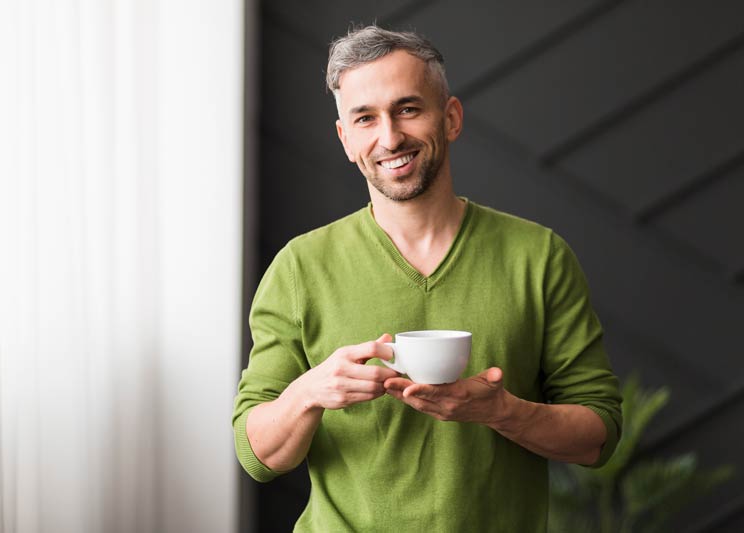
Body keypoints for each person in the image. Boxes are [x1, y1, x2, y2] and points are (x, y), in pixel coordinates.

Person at [233, 25, 622, 532]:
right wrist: (310, 391)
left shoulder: (539, 256)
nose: (390, 137)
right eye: (365, 118)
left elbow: (599, 435)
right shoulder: (300, 267)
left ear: (452, 117)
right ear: (346, 139)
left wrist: (501, 411)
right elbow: (257, 453)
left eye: (408, 109)